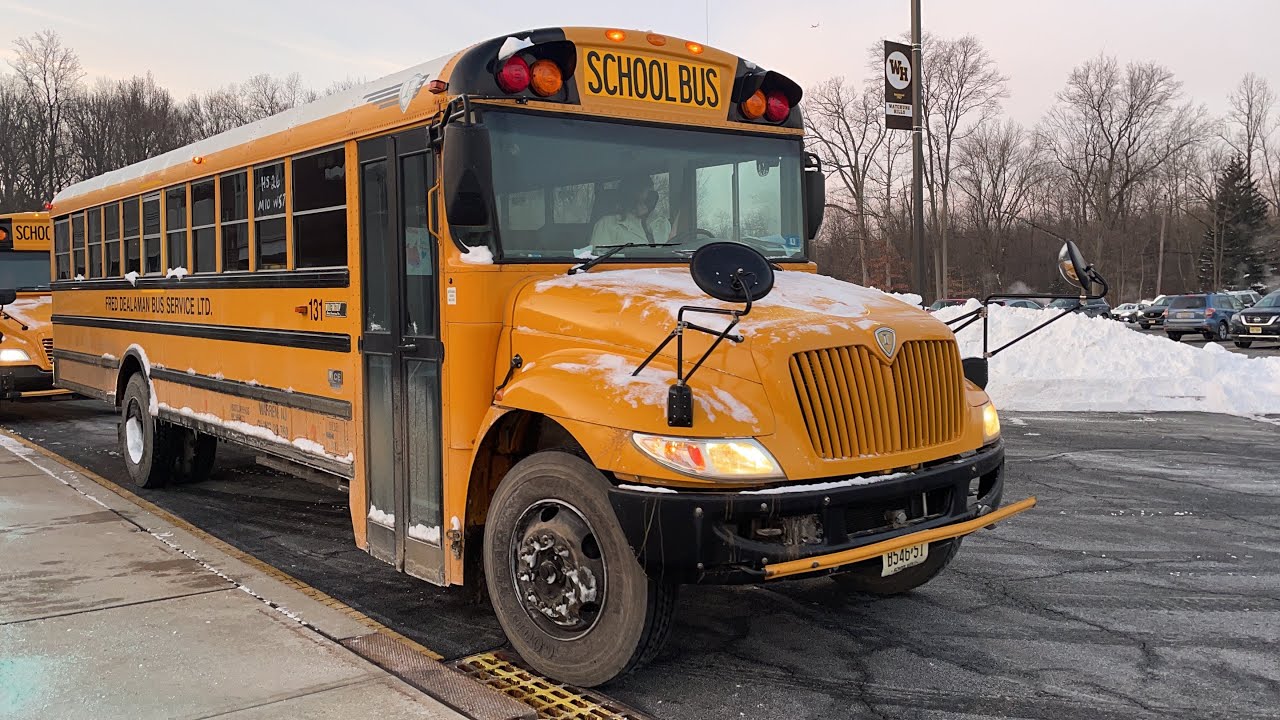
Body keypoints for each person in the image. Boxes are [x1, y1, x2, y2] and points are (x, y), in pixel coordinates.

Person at [585, 175, 672, 253]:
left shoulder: (662, 223)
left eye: (651, 194)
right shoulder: (607, 225)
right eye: (641, 192)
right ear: (629, 196)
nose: (649, 198)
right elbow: (598, 261)